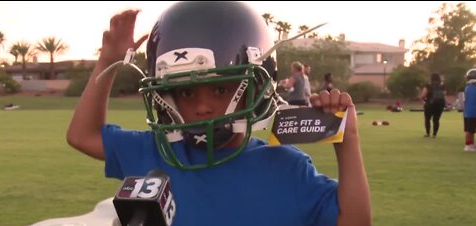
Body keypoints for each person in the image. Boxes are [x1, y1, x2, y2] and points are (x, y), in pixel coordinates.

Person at [66, 2, 370, 226]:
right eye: (186, 93)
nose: (202, 106)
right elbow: (82, 135)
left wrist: (348, 141)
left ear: (256, 87)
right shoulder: (156, 152)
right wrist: (108, 60)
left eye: (221, 89)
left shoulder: (286, 168)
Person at [420, 73, 446, 138]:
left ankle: (428, 133)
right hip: (440, 104)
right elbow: (444, 94)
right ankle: (434, 134)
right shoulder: (442, 86)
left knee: (427, 119)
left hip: (430, 104)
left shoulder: (428, 85)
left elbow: (423, 95)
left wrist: (424, 100)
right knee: (436, 120)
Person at [463, 69, 476, 152]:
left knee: (469, 130)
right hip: (473, 112)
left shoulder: (468, 88)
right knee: (470, 130)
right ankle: (469, 145)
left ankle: (469, 145)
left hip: (468, 112)